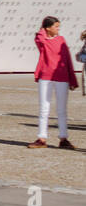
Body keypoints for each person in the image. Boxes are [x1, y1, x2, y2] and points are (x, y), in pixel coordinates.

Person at [31, 16, 78, 149]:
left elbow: (68, 60)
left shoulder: (61, 40)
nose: (58, 29)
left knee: (62, 110)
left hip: (62, 77)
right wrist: (43, 28)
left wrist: (72, 79)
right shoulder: (43, 40)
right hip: (45, 77)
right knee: (43, 109)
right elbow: (39, 37)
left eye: (58, 26)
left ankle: (63, 138)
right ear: (47, 28)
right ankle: (42, 138)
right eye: (56, 26)